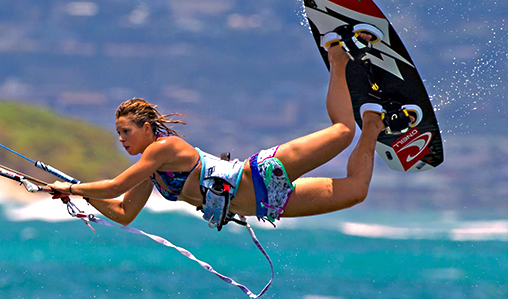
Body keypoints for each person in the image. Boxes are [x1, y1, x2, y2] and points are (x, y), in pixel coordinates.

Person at [49, 27, 405, 228]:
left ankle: (338, 57)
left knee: (343, 131)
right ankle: (373, 123)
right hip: (267, 204)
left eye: (126, 131)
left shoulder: (162, 150)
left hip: (261, 174)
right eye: (118, 134)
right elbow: (124, 212)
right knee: (357, 191)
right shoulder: (152, 173)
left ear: (146, 128)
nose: (122, 140)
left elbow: (115, 185)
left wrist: (73, 187)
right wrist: (82, 195)